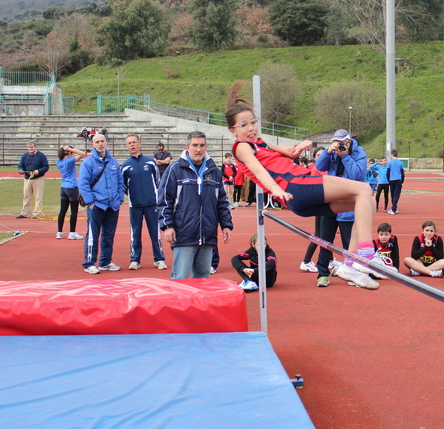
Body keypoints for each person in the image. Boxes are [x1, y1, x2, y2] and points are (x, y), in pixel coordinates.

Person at [226, 81, 378, 290]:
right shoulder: (242, 147)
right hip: (297, 185)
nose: (251, 128)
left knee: (367, 201)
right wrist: (275, 188)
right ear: (233, 131)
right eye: (244, 125)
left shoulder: (259, 142)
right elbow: (259, 171)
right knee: (364, 188)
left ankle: (350, 264)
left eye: (253, 122)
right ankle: (367, 253)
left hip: (296, 197)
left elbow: (289, 152)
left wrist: (301, 146)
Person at [158, 131, 233, 279]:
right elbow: (164, 201)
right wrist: (168, 226)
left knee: (203, 280)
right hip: (184, 234)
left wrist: (226, 224)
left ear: (206, 147)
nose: (198, 149)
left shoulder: (214, 172)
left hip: (207, 235)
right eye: (194, 145)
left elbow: (222, 202)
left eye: (202, 145)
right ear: (187, 146)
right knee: (180, 279)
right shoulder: (175, 170)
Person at [313, 128, 368, 288]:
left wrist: (345, 156)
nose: (338, 146)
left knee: (349, 242)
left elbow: (357, 175)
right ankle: (322, 274)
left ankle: (351, 273)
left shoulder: (359, 153)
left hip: (347, 204)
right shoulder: (332, 152)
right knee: (325, 240)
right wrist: (328, 152)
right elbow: (319, 166)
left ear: (348, 142)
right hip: (331, 201)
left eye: (341, 143)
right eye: (335, 142)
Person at [78, 133, 124, 274]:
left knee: (109, 235)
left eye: (102, 141)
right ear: (93, 144)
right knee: (93, 234)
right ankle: (89, 262)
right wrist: (91, 202)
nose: (100, 144)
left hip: (112, 205)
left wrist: (119, 198)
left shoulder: (113, 162)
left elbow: (120, 182)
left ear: (106, 142)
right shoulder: (88, 163)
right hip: (97, 205)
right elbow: (83, 184)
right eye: (97, 141)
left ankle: (105, 262)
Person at [122, 134, 167, 271]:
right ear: (126, 146)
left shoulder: (150, 162)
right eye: (129, 143)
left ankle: (159, 259)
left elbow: (158, 182)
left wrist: (155, 197)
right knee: (135, 233)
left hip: (151, 204)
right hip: (135, 205)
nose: (132, 145)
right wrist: (132, 196)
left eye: (134, 142)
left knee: (155, 232)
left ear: (139, 144)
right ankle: (135, 260)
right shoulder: (125, 166)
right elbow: (123, 186)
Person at [299, 147, 325, 273]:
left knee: (326, 235)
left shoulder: (328, 169)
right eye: (318, 155)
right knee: (319, 235)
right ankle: (306, 261)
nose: (320, 157)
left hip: (327, 205)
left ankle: (328, 259)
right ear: (314, 158)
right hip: (320, 205)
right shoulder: (315, 170)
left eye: (323, 154)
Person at [55, 145, 86, 240]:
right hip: (72, 187)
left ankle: (59, 232)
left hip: (63, 187)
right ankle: (72, 232)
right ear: (68, 153)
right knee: (74, 211)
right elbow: (82, 154)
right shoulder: (69, 161)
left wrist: (68, 151)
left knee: (63, 210)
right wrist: (70, 149)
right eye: (71, 153)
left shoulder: (58, 162)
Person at [16, 141, 49, 219]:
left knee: (38, 196)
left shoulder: (41, 155)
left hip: (38, 178)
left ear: (35, 147)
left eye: (32, 147)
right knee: (26, 196)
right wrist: (20, 170)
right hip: (28, 178)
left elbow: (46, 167)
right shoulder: (24, 156)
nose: (30, 148)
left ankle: (36, 213)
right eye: (29, 147)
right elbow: (21, 165)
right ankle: (24, 213)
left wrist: (39, 171)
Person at [387, 150, 405, 214]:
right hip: (398, 180)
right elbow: (402, 173)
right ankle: (394, 207)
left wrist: (388, 180)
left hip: (392, 180)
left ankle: (394, 208)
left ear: (392, 155)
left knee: (392, 194)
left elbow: (388, 172)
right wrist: (402, 180)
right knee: (396, 194)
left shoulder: (390, 162)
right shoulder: (400, 163)